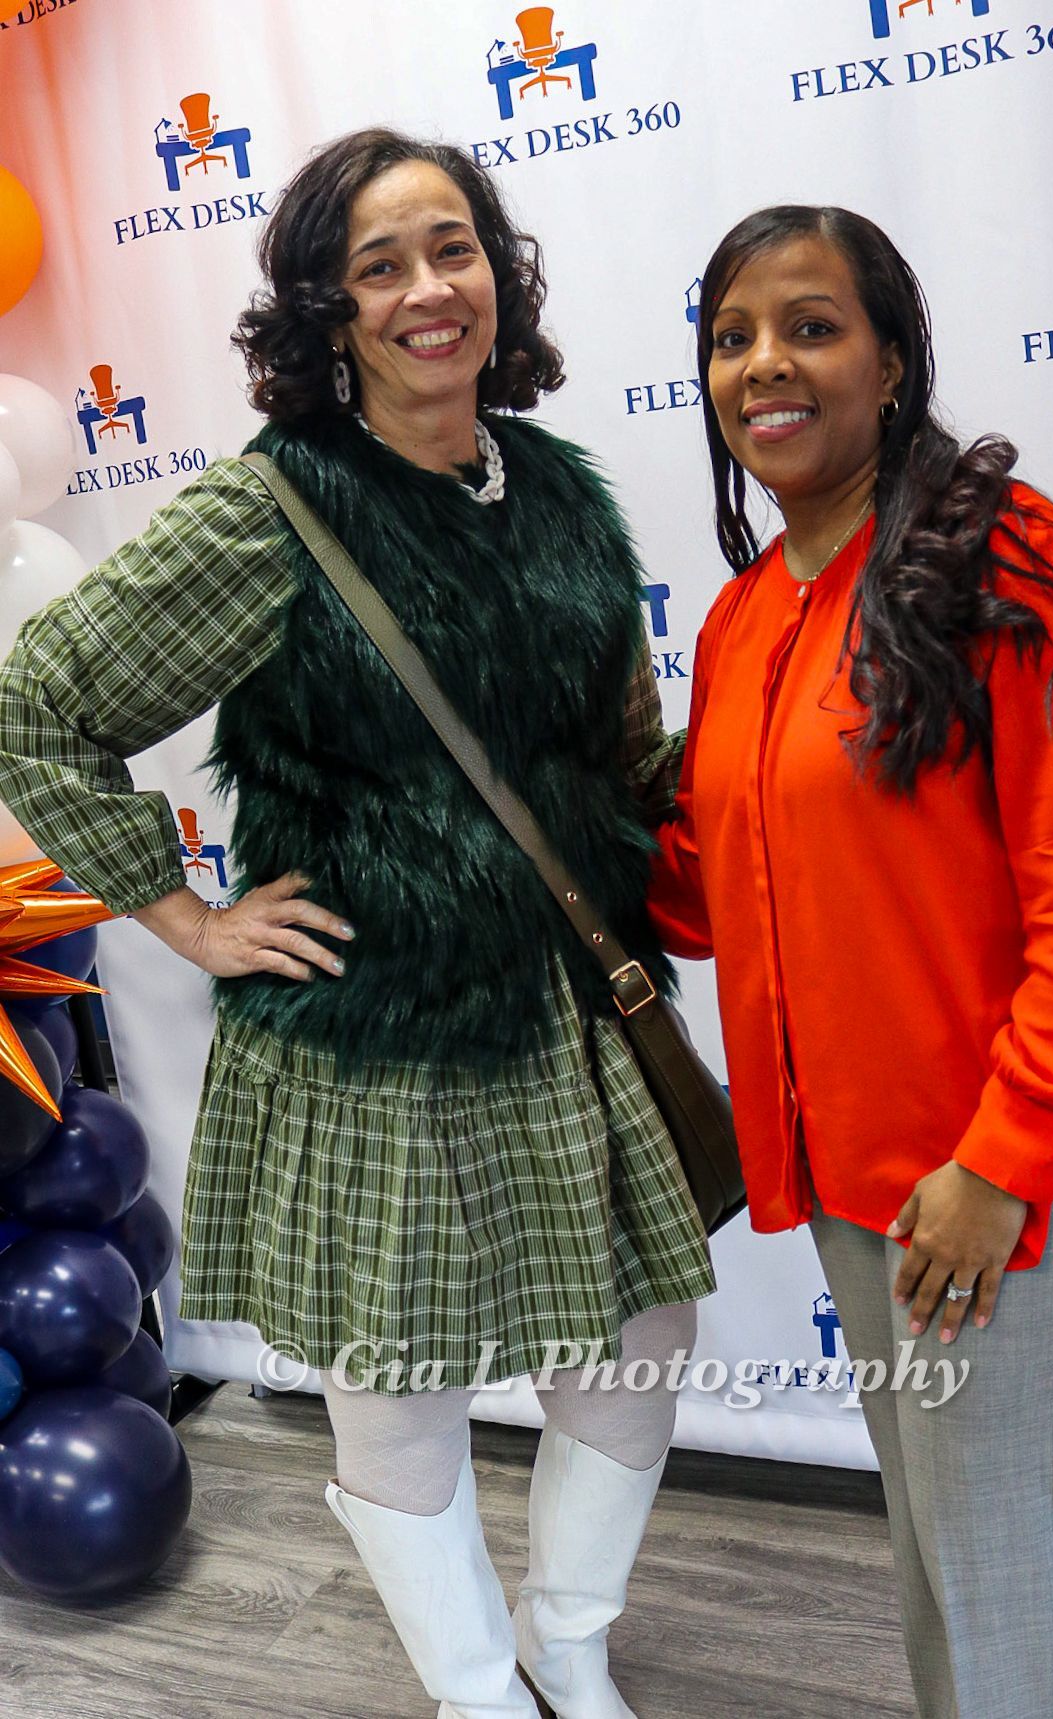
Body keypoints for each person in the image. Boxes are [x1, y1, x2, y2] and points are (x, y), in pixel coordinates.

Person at [0, 129, 716, 1719]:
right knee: (398, 1384)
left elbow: (613, 747)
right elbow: (34, 703)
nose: (423, 290)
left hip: (572, 1010)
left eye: (449, 248)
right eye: (376, 264)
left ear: (497, 270)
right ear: (325, 308)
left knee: (643, 1335)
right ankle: (475, 1692)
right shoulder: (270, 511)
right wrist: (182, 918)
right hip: (373, 1029)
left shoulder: (560, 493)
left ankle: (571, 1646)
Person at [649, 204, 1053, 1718]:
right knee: (940, 1529)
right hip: (858, 1174)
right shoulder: (741, 618)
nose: (762, 366)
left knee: (988, 1533)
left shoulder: (1014, 566)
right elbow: (718, 885)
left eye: (808, 325)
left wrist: (998, 1163)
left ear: (891, 358)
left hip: (1001, 1169)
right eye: (730, 337)